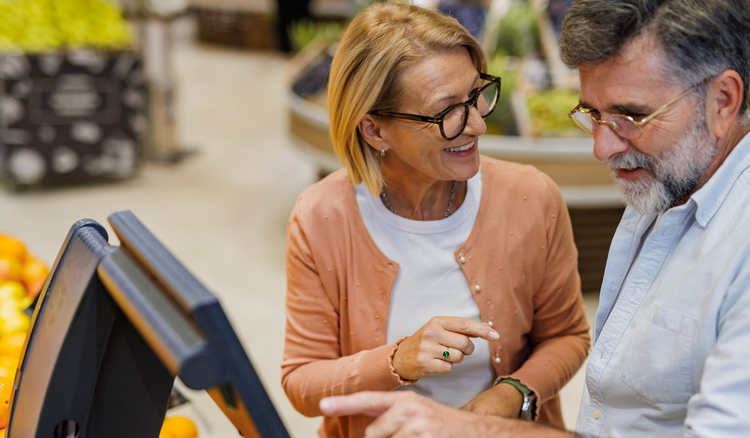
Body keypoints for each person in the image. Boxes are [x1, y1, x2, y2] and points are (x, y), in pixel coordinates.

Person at [318, 0, 750, 436]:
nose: (601, 149)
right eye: (593, 115)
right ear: (374, 130)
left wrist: (484, 423)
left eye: (632, 116)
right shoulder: (665, 187)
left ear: (723, 101)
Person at [281, 2, 591, 437]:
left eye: (476, 95)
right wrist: (397, 360)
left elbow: (568, 336)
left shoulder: (530, 197)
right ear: (374, 130)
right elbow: (301, 384)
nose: (477, 125)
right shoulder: (322, 216)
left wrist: (508, 397)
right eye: (447, 112)